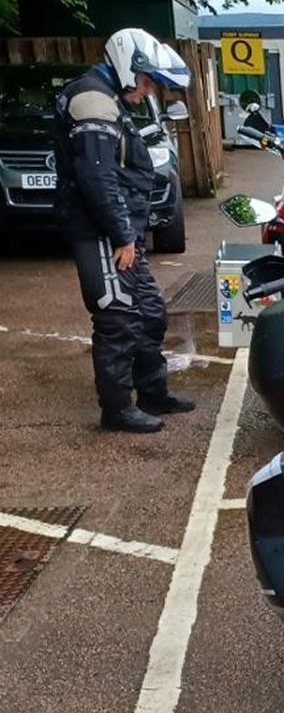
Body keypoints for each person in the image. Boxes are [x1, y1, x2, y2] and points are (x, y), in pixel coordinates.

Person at [53, 28, 196, 433]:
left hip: (119, 229)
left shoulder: (109, 97)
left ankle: (153, 393)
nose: (147, 92)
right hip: (101, 231)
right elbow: (96, 176)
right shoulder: (93, 99)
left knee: (150, 311)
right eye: (147, 82)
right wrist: (122, 235)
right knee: (117, 317)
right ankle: (116, 410)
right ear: (127, 67)